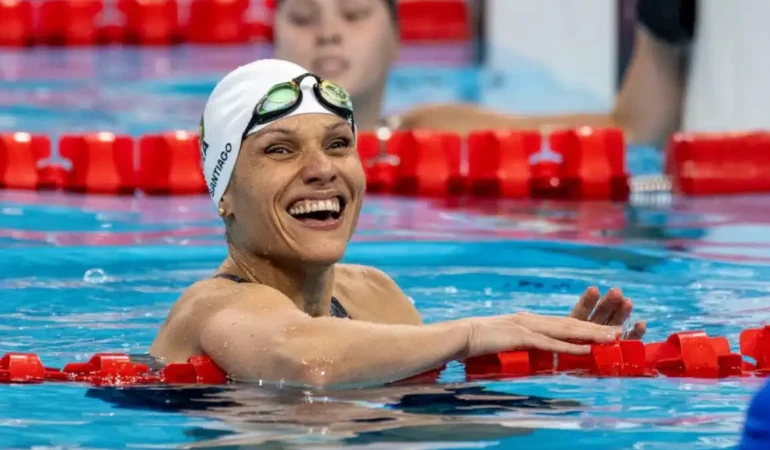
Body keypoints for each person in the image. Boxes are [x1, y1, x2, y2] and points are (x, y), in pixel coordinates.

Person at [149, 58, 647, 389]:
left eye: (338, 144)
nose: (323, 168)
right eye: (280, 150)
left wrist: (554, 368)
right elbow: (304, 361)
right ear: (225, 195)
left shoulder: (373, 295)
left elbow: (420, 420)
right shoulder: (210, 307)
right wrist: (475, 334)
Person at [270, 0, 691, 147]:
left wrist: (658, 27)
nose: (327, 34)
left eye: (354, 14)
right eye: (304, 18)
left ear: (396, 39)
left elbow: (633, 131)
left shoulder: (435, 132)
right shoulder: (231, 146)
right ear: (273, 40)